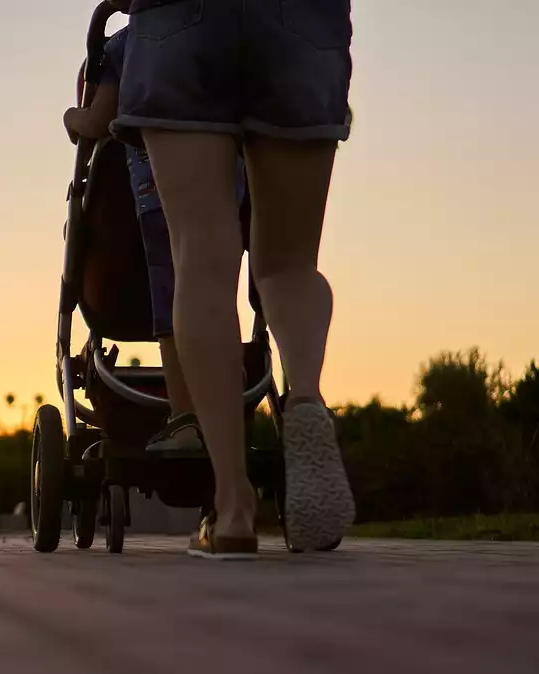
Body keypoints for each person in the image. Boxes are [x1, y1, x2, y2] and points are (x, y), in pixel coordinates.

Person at [112, 0, 356, 559]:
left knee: (201, 259)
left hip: (179, 20)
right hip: (300, 23)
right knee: (291, 264)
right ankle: (305, 398)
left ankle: (232, 506)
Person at [63, 2, 246, 454]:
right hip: (227, 192)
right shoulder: (227, 35)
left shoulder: (127, 45)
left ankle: (184, 419)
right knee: (216, 295)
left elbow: (97, 120)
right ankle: (226, 415)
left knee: (174, 300)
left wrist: (72, 117)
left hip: (157, 195)